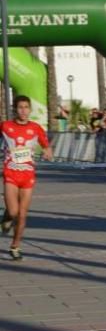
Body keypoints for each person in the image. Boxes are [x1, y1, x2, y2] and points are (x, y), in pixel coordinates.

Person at [1, 95, 53, 261]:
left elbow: (46, 146)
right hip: (11, 173)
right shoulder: (5, 126)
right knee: (14, 211)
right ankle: (7, 217)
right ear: (15, 109)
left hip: (28, 175)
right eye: (20, 107)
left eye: (26, 107)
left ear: (30, 109)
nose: (23, 111)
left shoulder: (36, 128)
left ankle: (15, 247)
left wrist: (47, 151)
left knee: (22, 215)